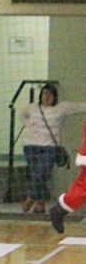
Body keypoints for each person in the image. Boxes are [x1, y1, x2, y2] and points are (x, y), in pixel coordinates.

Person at [18, 84, 86, 214]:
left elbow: (79, 107)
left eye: (50, 94)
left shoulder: (61, 108)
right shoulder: (32, 107)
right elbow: (22, 115)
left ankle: (32, 197)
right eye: (44, 93)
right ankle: (40, 204)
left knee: (41, 173)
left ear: (55, 96)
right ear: (41, 95)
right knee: (36, 175)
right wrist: (29, 126)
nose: (47, 96)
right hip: (30, 146)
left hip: (50, 147)